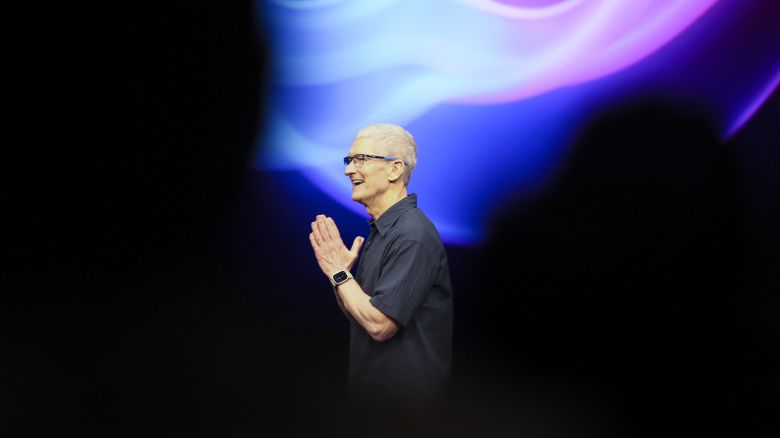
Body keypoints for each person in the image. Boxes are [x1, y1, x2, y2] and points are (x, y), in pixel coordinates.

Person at [308, 123, 453, 400]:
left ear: (395, 169)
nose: (348, 170)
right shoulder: (383, 231)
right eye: (349, 160)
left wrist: (339, 273)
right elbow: (358, 315)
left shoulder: (412, 235)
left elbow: (380, 325)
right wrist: (340, 276)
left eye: (360, 159)